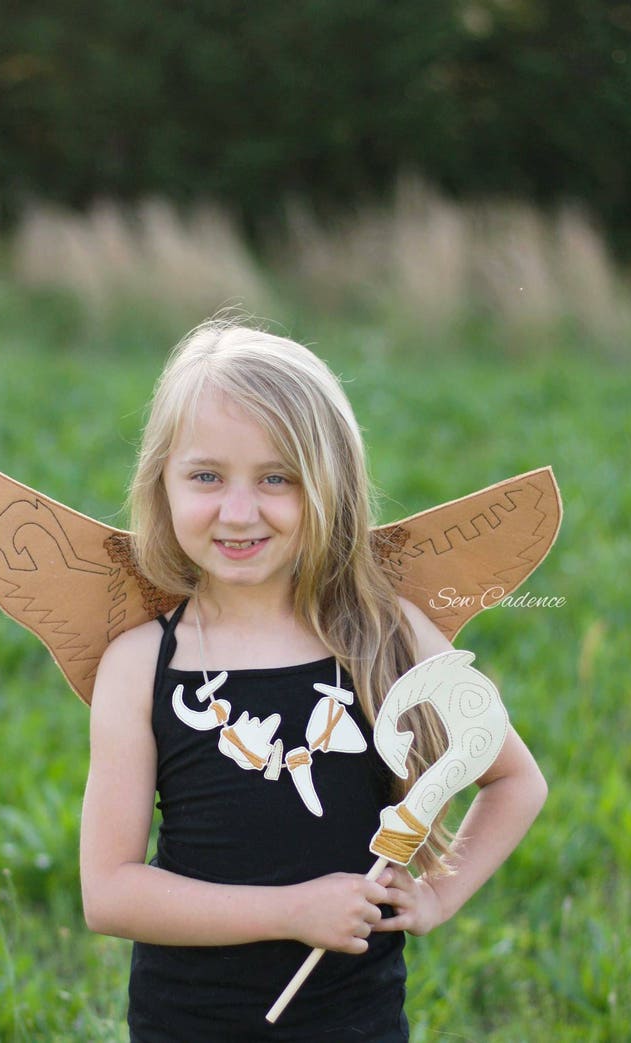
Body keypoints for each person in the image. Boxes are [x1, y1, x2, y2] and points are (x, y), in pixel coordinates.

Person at [79, 319, 548, 1042]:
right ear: (161, 482)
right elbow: (109, 891)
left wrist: (437, 896)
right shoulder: (144, 664)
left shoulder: (384, 633)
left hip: (352, 1021)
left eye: (278, 478)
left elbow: (516, 780)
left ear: (331, 484)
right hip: (188, 1022)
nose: (239, 511)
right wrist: (290, 910)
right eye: (206, 476)